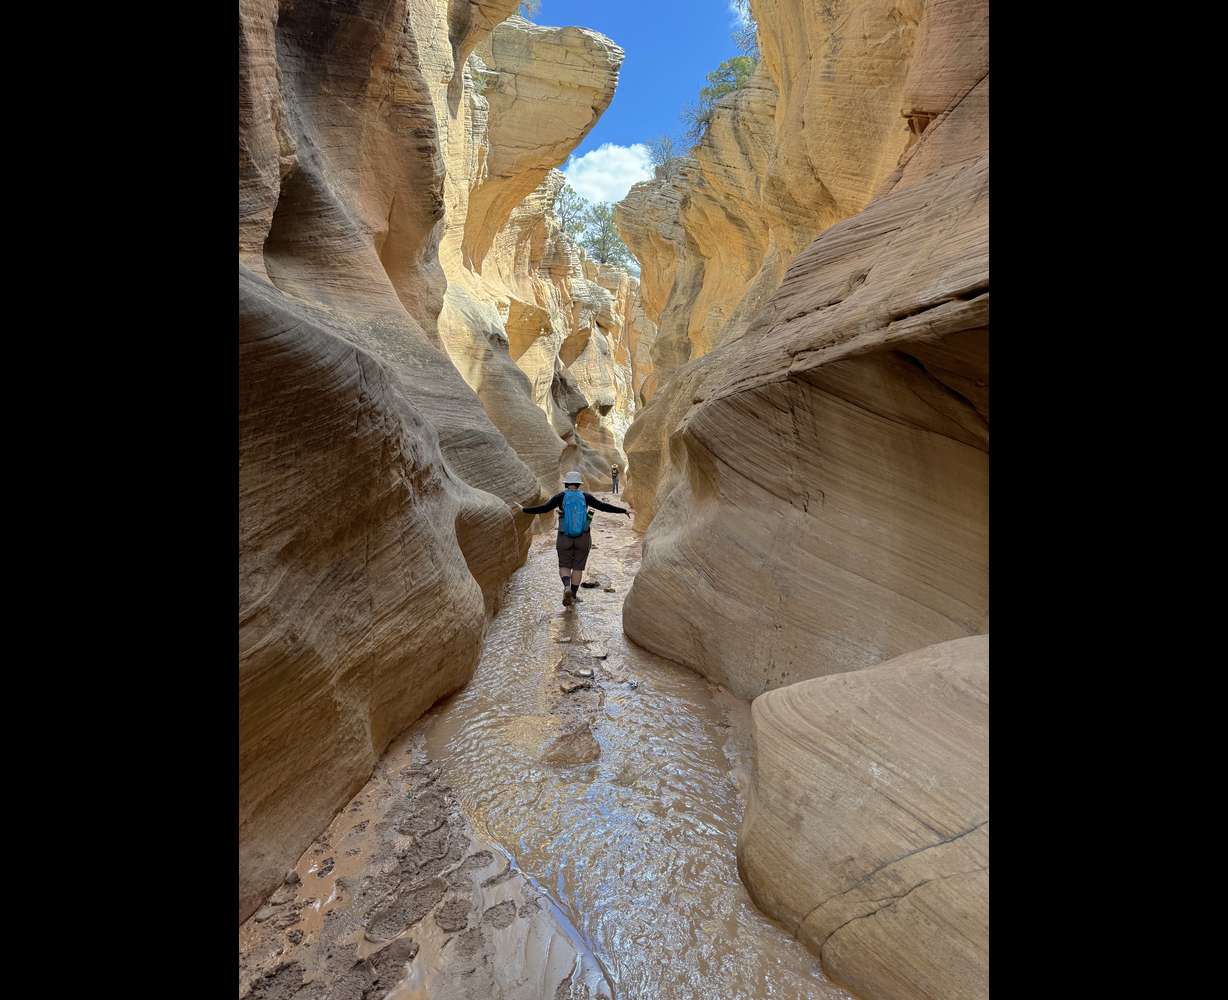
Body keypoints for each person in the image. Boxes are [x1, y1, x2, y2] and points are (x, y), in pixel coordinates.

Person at [519, 470, 630, 607]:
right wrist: (623, 511)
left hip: (564, 535)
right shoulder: (585, 497)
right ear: (578, 484)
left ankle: (566, 586)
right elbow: (603, 507)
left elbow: (543, 508)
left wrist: (524, 510)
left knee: (564, 565)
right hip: (583, 536)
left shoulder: (560, 497)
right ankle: (574, 595)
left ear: (566, 484)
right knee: (578, 567)